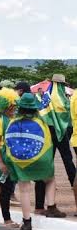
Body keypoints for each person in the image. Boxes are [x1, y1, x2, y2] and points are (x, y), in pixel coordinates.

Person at [5, 93, 66, 230]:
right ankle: (51, 207)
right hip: (40, 159)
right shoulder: (41, 120)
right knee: (49, 179)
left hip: (19, 160)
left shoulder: (13, 121)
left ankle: (27, 222)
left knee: (24, 189)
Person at [37, 74, 76, 211]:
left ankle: (39, 205)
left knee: (45, 165)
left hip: (48, 133)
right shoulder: (61, 98)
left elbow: (41, 113)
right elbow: (67, 115)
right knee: (69, 163)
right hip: (61, 133)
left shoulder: (46, 96)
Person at [0, 88, 21, 228]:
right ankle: (7, 219)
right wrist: (0, 163)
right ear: (4, 106)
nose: (13, 108)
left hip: (13, 156)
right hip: (2, 156)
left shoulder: (14, 118)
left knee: (10, 186)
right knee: (5, 188)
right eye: (11, 106)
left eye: (14, 106)